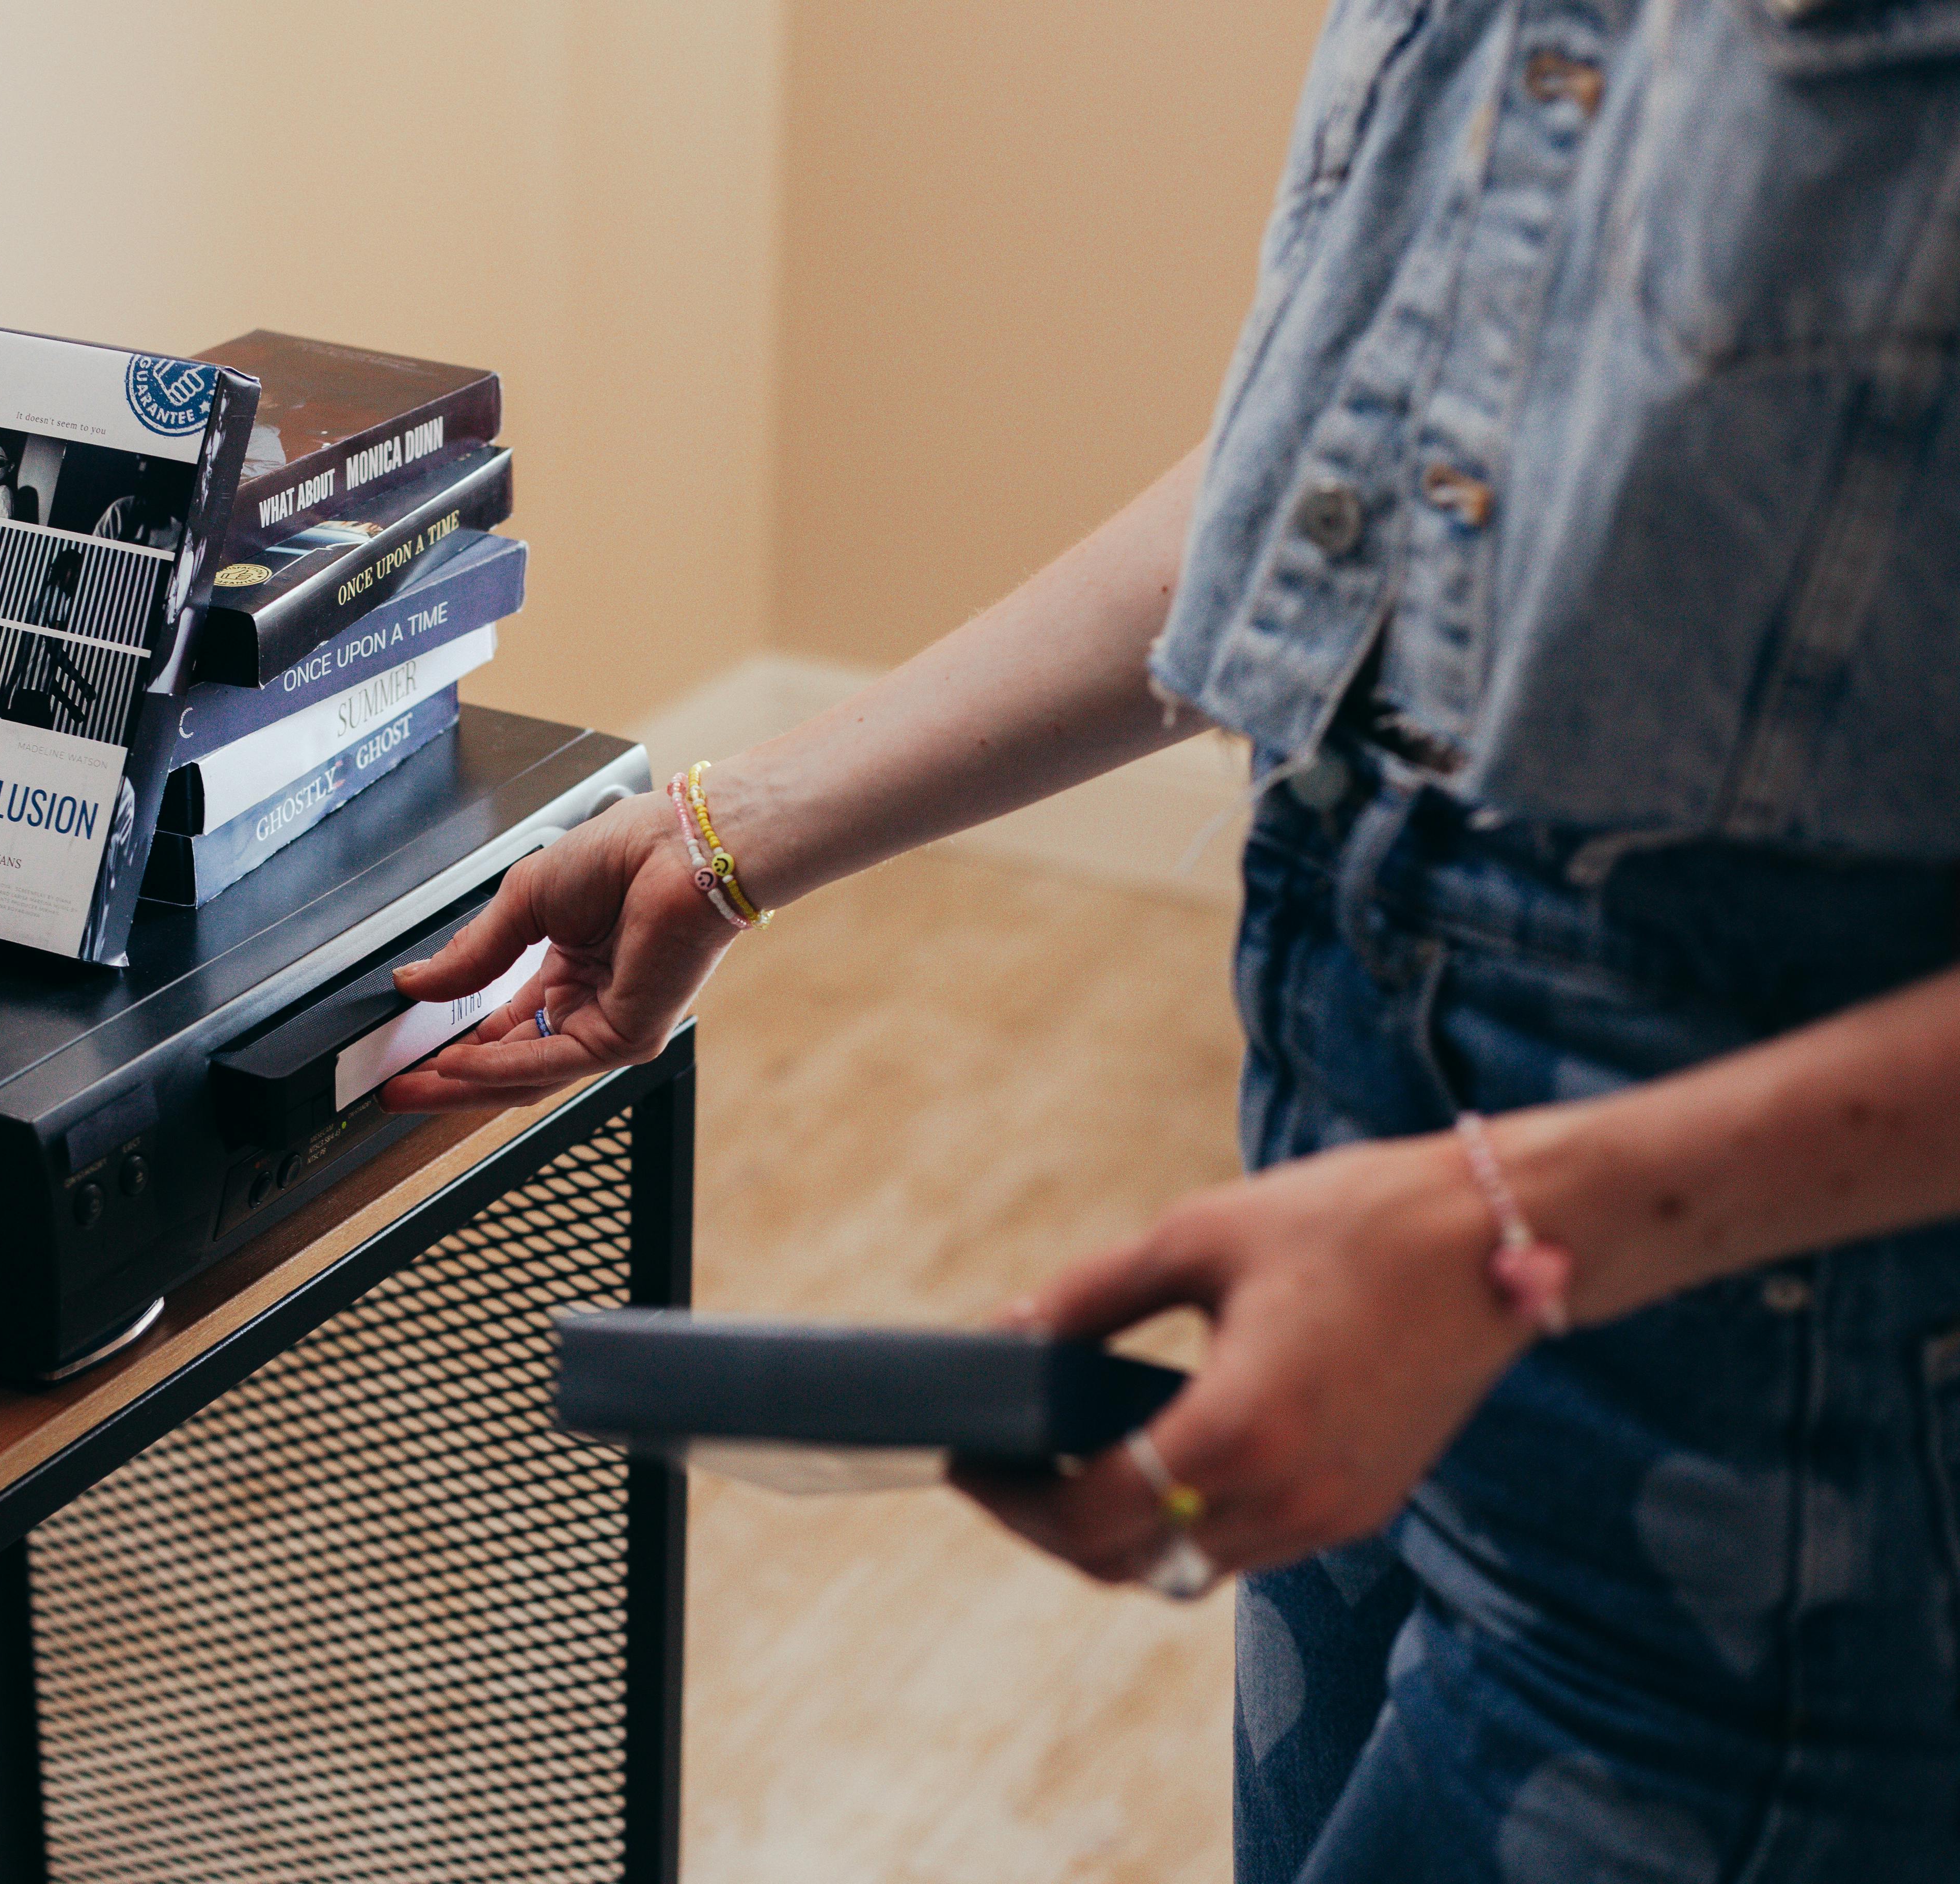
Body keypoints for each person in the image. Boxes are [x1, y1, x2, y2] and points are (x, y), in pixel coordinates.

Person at [384, 8, 1960, 1879]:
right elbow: (1328, 472)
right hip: (1358, 1184)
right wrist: (732, 839)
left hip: (1774, 1395)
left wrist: (1501, 1228)